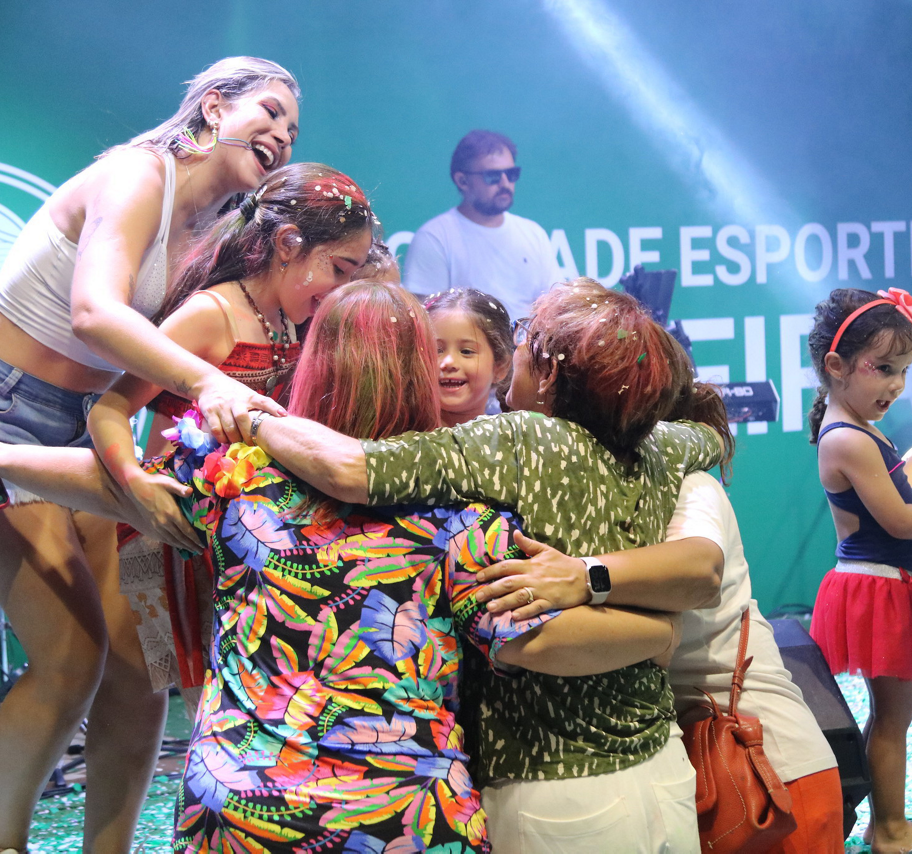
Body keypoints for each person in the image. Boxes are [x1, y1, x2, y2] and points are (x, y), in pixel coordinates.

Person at [0, 281, 686, 852]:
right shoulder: (464, 502)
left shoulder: (238, 474)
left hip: (243, 808)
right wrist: (660, 634)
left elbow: (111, 481)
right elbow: (537, 643)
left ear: (314, 363)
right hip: (404, 817)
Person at [0, 57, 300, 854]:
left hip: (88, 426)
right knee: (70, 658)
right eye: (269, 111)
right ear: (214, 106)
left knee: (140, 663)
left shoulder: (218, 227)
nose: (282, 135)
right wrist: (206, 382)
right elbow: (94, 313)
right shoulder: (136, 174)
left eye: (294, 130)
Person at [236, 278, 726, 852]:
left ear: (548, 371)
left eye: (522, 339)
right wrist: (662, 631)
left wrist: (250, 416)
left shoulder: (514, 441)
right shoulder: (662, 446)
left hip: (553, 785)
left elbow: (353, 470)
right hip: (663, 766)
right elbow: (711, 435)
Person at [475, 377, 845, 852]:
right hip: (719, 763)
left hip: (766, 764)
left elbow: (702, 570)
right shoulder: (608, 491)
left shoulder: (688, 485)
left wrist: (584, 575)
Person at [89, 163, 373, 710]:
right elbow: (109, 408)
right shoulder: (209, 314)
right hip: (173, 535)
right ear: (288, 244)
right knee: (183, 703)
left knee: (248, 702)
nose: (341, 289)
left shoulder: (292, 320)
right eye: (339, 269)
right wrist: (133, 484)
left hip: (243, 539)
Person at [807, 287, 912, 854]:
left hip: (882, 584)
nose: (896, 384)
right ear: (836, 366)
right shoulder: (850, 437)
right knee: (893, 715)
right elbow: (901, 521)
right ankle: (890, 829)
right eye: (884, 368)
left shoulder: (857, 427)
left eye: (905, 371)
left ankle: (883, 822)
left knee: (892, 713)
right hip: (876, 587)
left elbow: (888, 492)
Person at [402, 130, 560, 322]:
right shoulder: (435, 237)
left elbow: (554, 310)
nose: (505, 183)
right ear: (462, 181)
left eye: (511, 174)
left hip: (527, 341)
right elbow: (426, 320)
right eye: (493, 176)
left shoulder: (534, 234)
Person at [423, 288, 512, 426]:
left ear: (500, 367)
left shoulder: (510, 437)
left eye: (466, 351)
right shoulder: (399, 438)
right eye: (437, 350)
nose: (449, 362)